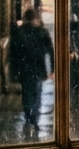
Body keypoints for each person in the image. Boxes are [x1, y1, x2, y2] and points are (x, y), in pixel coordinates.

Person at [9, 7, 54, 135]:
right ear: (35, 18)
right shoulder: (41, 31)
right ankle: (34, 120)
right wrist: (53, 68)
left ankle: (29, 119)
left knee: (27, 94)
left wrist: (14, 71)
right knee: (36, 94)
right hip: (38, 68)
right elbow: (50, 50)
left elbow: (13, 53)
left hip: (24, 69)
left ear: (24, 19)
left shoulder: (19, 32)